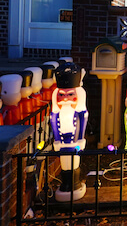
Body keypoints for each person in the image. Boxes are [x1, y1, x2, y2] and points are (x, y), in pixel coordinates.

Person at [50, 62, 89, 201]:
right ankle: (66, 183)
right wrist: (56, 139)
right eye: (62, 95)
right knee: (64, 162)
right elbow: (54, 123)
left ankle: (74, 182)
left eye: (70, 94)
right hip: (62, 140)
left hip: (74, 140)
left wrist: (80, 138)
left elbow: (82, 123)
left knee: (74, 161)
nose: (65, 98)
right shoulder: (56, 113)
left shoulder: (79, 112)